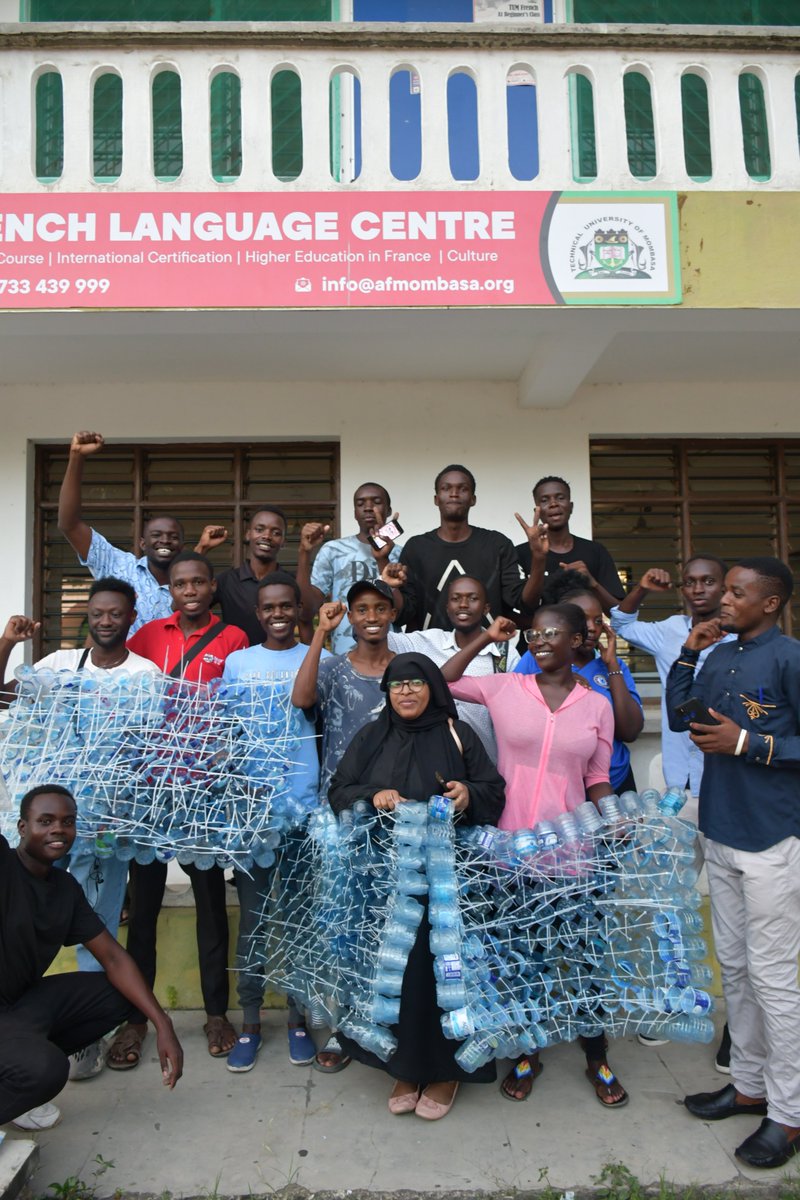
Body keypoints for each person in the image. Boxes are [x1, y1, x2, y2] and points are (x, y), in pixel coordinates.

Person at [442, 606, 629, 1108]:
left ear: (577, 641)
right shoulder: (504, 686)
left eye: (553, 632)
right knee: (521, 956)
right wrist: (485, 638)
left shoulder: (597, 705)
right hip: (509, 848)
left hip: (572, 852)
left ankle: (597, 1055)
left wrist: (613, 817)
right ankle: (529, 1053)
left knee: (582, 955)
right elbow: (439, 682)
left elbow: (596, 777)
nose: (541, 640)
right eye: (534, 632)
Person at [328, 653, 505, 1120]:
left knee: (445, 972)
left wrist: (468, 793)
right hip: (388, 881)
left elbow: (494, 790)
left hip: (451, 881)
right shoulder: (373, 736)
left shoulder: (458, 733)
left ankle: (447, 1072)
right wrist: (373, 795)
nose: (405, 692)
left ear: (432, 688)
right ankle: (405, 1067)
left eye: (415, 683)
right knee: (399, 972)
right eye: (396, 684)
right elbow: (339, 790)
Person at [667, 556, 800, 1170]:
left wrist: (749, 742)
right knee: (739, 970)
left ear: (769, 603)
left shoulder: (790, 657)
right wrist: (690, 654)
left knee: (775, 979)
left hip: (773, 838)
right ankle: (748, 1085)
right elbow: (677, 715)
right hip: (720, 831)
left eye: (737, 592)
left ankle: (790, 1113)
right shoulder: (718, 655)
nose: (723, 599)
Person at [0, 579, 161, 1080]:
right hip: (47, 828)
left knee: (98, 925)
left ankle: (85, 1042)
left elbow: (152, 750)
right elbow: (2, 701)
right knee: (17, 926)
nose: (106, 620)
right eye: (97, 612)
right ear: (87, 617)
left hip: (106, 829)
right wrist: (7, 644)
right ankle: (15, 1025)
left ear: (132, 617)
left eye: (115, 613)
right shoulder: (56, 666)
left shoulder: (147, 674)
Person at [106, 552, 247, 1071]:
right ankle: (136, 1018)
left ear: (212, 587)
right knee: (143, 910)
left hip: (205, 791)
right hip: (149, 788)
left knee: (210, 905)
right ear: (170, 590)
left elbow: (238, 712)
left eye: (198, 582)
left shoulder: (233, 640)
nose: (189, 590)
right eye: (180, 583)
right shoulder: (145, 637)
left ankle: (215, 1012)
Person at [0, 785, 182, 1132]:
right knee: (49, 1071)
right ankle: (23, 1079)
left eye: (67, 821)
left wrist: (162, 1023)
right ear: (22, 827)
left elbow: (113, 957)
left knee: (121, 996)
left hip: (18, 1005)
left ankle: (14, 1082)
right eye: (46, 820)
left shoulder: (64, 889)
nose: (58, 829)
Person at [611, 555, 734, 1062]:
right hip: (680, 795)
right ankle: (670, 1005)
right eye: (691, 582)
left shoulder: (742, 642)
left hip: (732, 793)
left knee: (731, 914)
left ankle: (738, 1034)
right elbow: (619, 623)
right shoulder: (667, 633)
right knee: (666, 906)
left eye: (709, 582)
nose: (699, 589)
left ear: (726, 589)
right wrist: (639, 588)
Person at [221, 571, 328, 1073]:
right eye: (269, 608)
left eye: (287, 606)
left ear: (298, 610)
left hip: (303, 809)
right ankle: (249, 1021)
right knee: (255, 922)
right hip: (252, 814)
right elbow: (225, 734)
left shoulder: (319, 659)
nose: (278, 614)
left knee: (301, 920)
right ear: (257, 613)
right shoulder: (237, 663)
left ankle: (299, 1019)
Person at [291, 578, 398, 1071]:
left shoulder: (405, 671)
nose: (370, 616)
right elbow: (302, 697)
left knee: (389, 921)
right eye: (360, 609)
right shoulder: (334, 668)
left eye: (379, 607)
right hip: (341, 815)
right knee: (343, 925)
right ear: (350, 617)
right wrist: (320, 634)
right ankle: (343, 1027)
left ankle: (388, 1020)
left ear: (393, 612)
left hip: (396, 813)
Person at [516, 570, 643, 794]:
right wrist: (559, 679)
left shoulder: (615, 666)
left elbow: (629, 732)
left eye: (597, 620)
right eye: (583, 619)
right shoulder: (535, 659)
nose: (593, 627)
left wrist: (612, 667)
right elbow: (514, 716)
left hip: (614, 783)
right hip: (556, 785)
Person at [57, 431, 185, 631]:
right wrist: (76, 457)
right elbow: (69, 524)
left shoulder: (188, 588)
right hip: (118, 663)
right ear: (142, 543)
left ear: (182, 546)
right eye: (156, 535)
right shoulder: (117, 565)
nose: (165, 541)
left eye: (173, 537)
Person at [388, 575, 519, 761]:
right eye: (455, 599)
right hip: (430, 761)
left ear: (486, 608)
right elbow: (377, 636)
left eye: (473, 598)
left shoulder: (503, 655)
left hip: (485, 765)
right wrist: (386, 586)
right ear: (447, 607)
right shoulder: (426, 642)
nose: (463, 604)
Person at [395, 465, 540, 632]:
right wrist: (382, 560)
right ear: (436, 499)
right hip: (428, 654)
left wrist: (538, 557)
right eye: (446, 488)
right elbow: (402, 612)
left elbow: (524, 602)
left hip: (488, 652)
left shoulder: (497, 544)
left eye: (462, 489)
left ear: (473, 499)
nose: (454, 493)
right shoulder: (416, 547)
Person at [296, 482, 402, 655]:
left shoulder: (400, 553)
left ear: (388, 510)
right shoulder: (333, 550)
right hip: (344, 657)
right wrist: (304, 552)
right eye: (360, 504)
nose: (368, 508)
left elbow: (403, 611)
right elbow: (306, 610)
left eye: (376, 502)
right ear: (354, 513)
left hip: (392, 657)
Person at [196, 508, 312, 647]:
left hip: (282, 663)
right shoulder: (227, 580)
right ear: (248, 534)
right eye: (259, 529)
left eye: (275, 533)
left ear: (283, 542)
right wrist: (201, 549)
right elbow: (190, 602)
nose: (267, 536)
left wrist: (305, 551)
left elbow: (306, 617)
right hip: (236, 664)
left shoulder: (290, 583)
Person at [515, 476, 624, 618]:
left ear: (571, 507)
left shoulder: (595, 551)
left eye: (560, 498)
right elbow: (525, 607)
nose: (553, 504)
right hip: (537, 639)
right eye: (544, 500)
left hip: (583, 639)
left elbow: (619, 614)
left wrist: (593, 584)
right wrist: (538, 558)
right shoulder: (520, 553)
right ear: (537, 510)